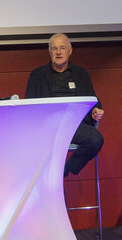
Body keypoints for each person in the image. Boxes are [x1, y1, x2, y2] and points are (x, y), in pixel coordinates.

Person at [25, 33, 104, 176]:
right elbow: (28, 106)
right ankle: (43, 179)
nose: (59, 52)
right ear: (49, 52)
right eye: (54, 49)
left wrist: (96, 110)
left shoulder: (81, 74)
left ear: (70, 50)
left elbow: (93, 100)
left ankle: (64, 170)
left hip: (74, 125)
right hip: (46, 127)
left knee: (96, 139)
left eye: (62, 48)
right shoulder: (37, 75)